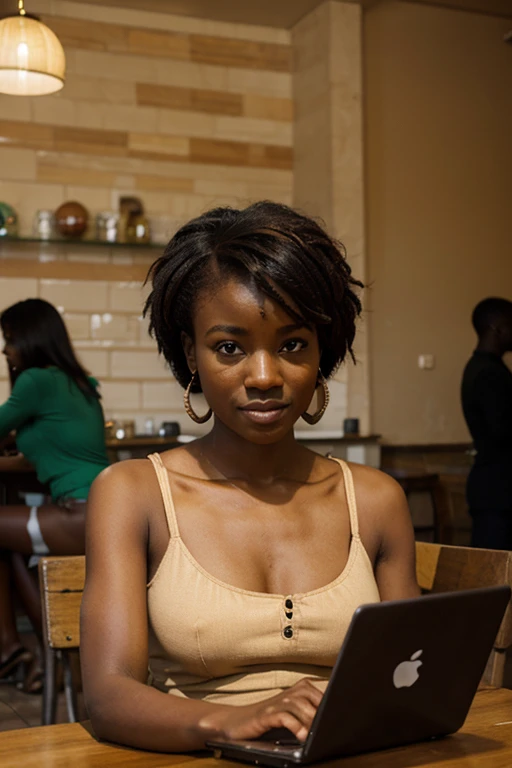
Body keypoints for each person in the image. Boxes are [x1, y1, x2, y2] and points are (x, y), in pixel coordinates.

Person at [81, 202, 419, 753]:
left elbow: (409, 673)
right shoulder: (134, 494)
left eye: (292, 345)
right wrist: (232, 721)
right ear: (191, 351)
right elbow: (107, 695)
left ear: (321, 355)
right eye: (229, 347)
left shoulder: (376, 501)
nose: (264, 377)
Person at [0, 298, 109, 691]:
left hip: (81, 515)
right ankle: (41, 655)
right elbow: (50, 450)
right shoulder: (79, 382)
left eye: (9, 339)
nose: (5, 350)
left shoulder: (36, 382)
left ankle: (25, 650)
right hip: (102, 510)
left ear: (30, 339)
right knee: (16, 550)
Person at [461, 297, 512, 550]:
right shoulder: (489, 373)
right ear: (498, 328)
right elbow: (502, 431)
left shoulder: (479, 367)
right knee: (497, 576)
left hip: (493, 487)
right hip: (498, 490)